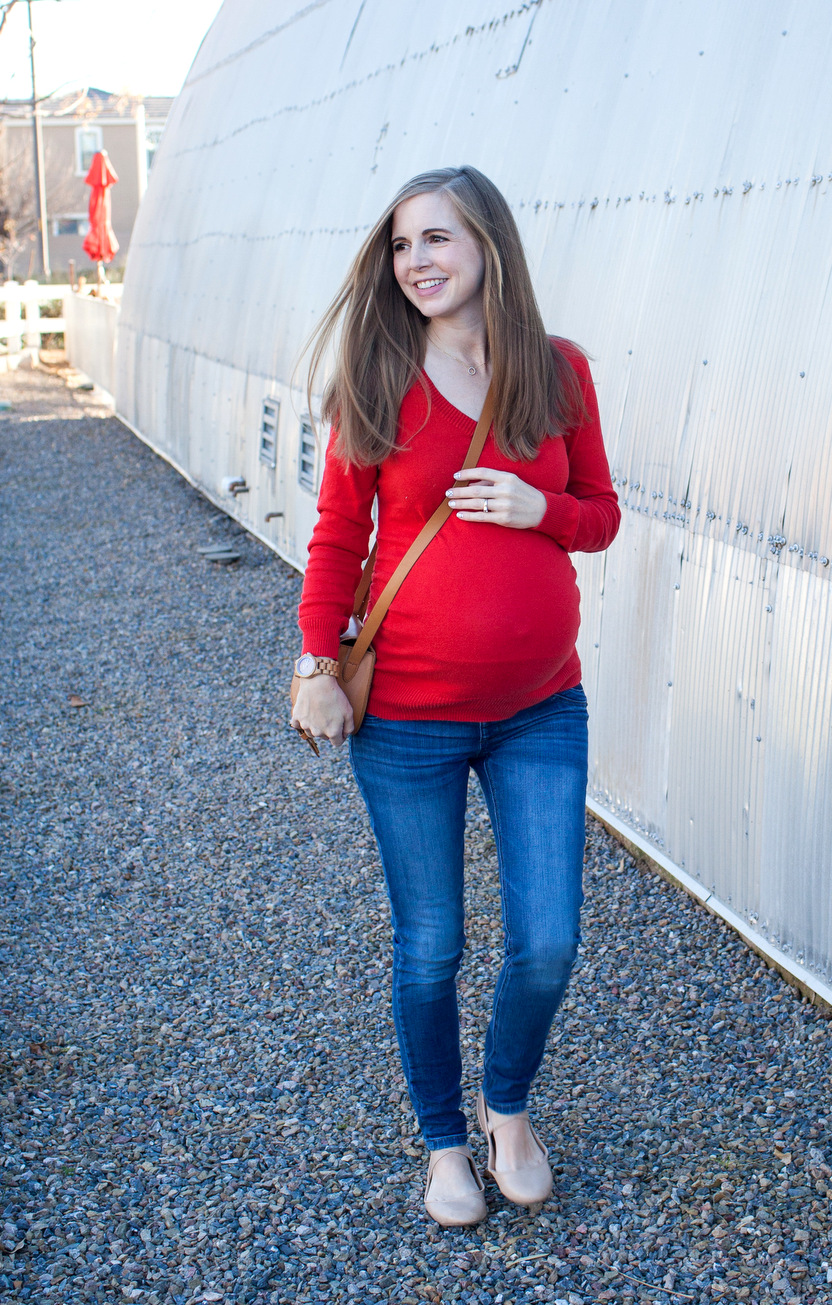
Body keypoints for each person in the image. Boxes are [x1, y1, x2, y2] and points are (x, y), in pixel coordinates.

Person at [291, 166, 620, 1226]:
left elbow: (601, 514)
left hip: (540, 708)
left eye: (435, 239)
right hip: (406, 722)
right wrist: (312, 664)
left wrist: (539, 507)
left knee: (549, 940)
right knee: (430, 944)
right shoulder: (376, 380)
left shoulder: (557, 373)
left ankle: (506, 1109)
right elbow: (339, 537)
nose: (415, 262)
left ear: (486, 245)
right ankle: (442, 1142)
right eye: (399, 246)